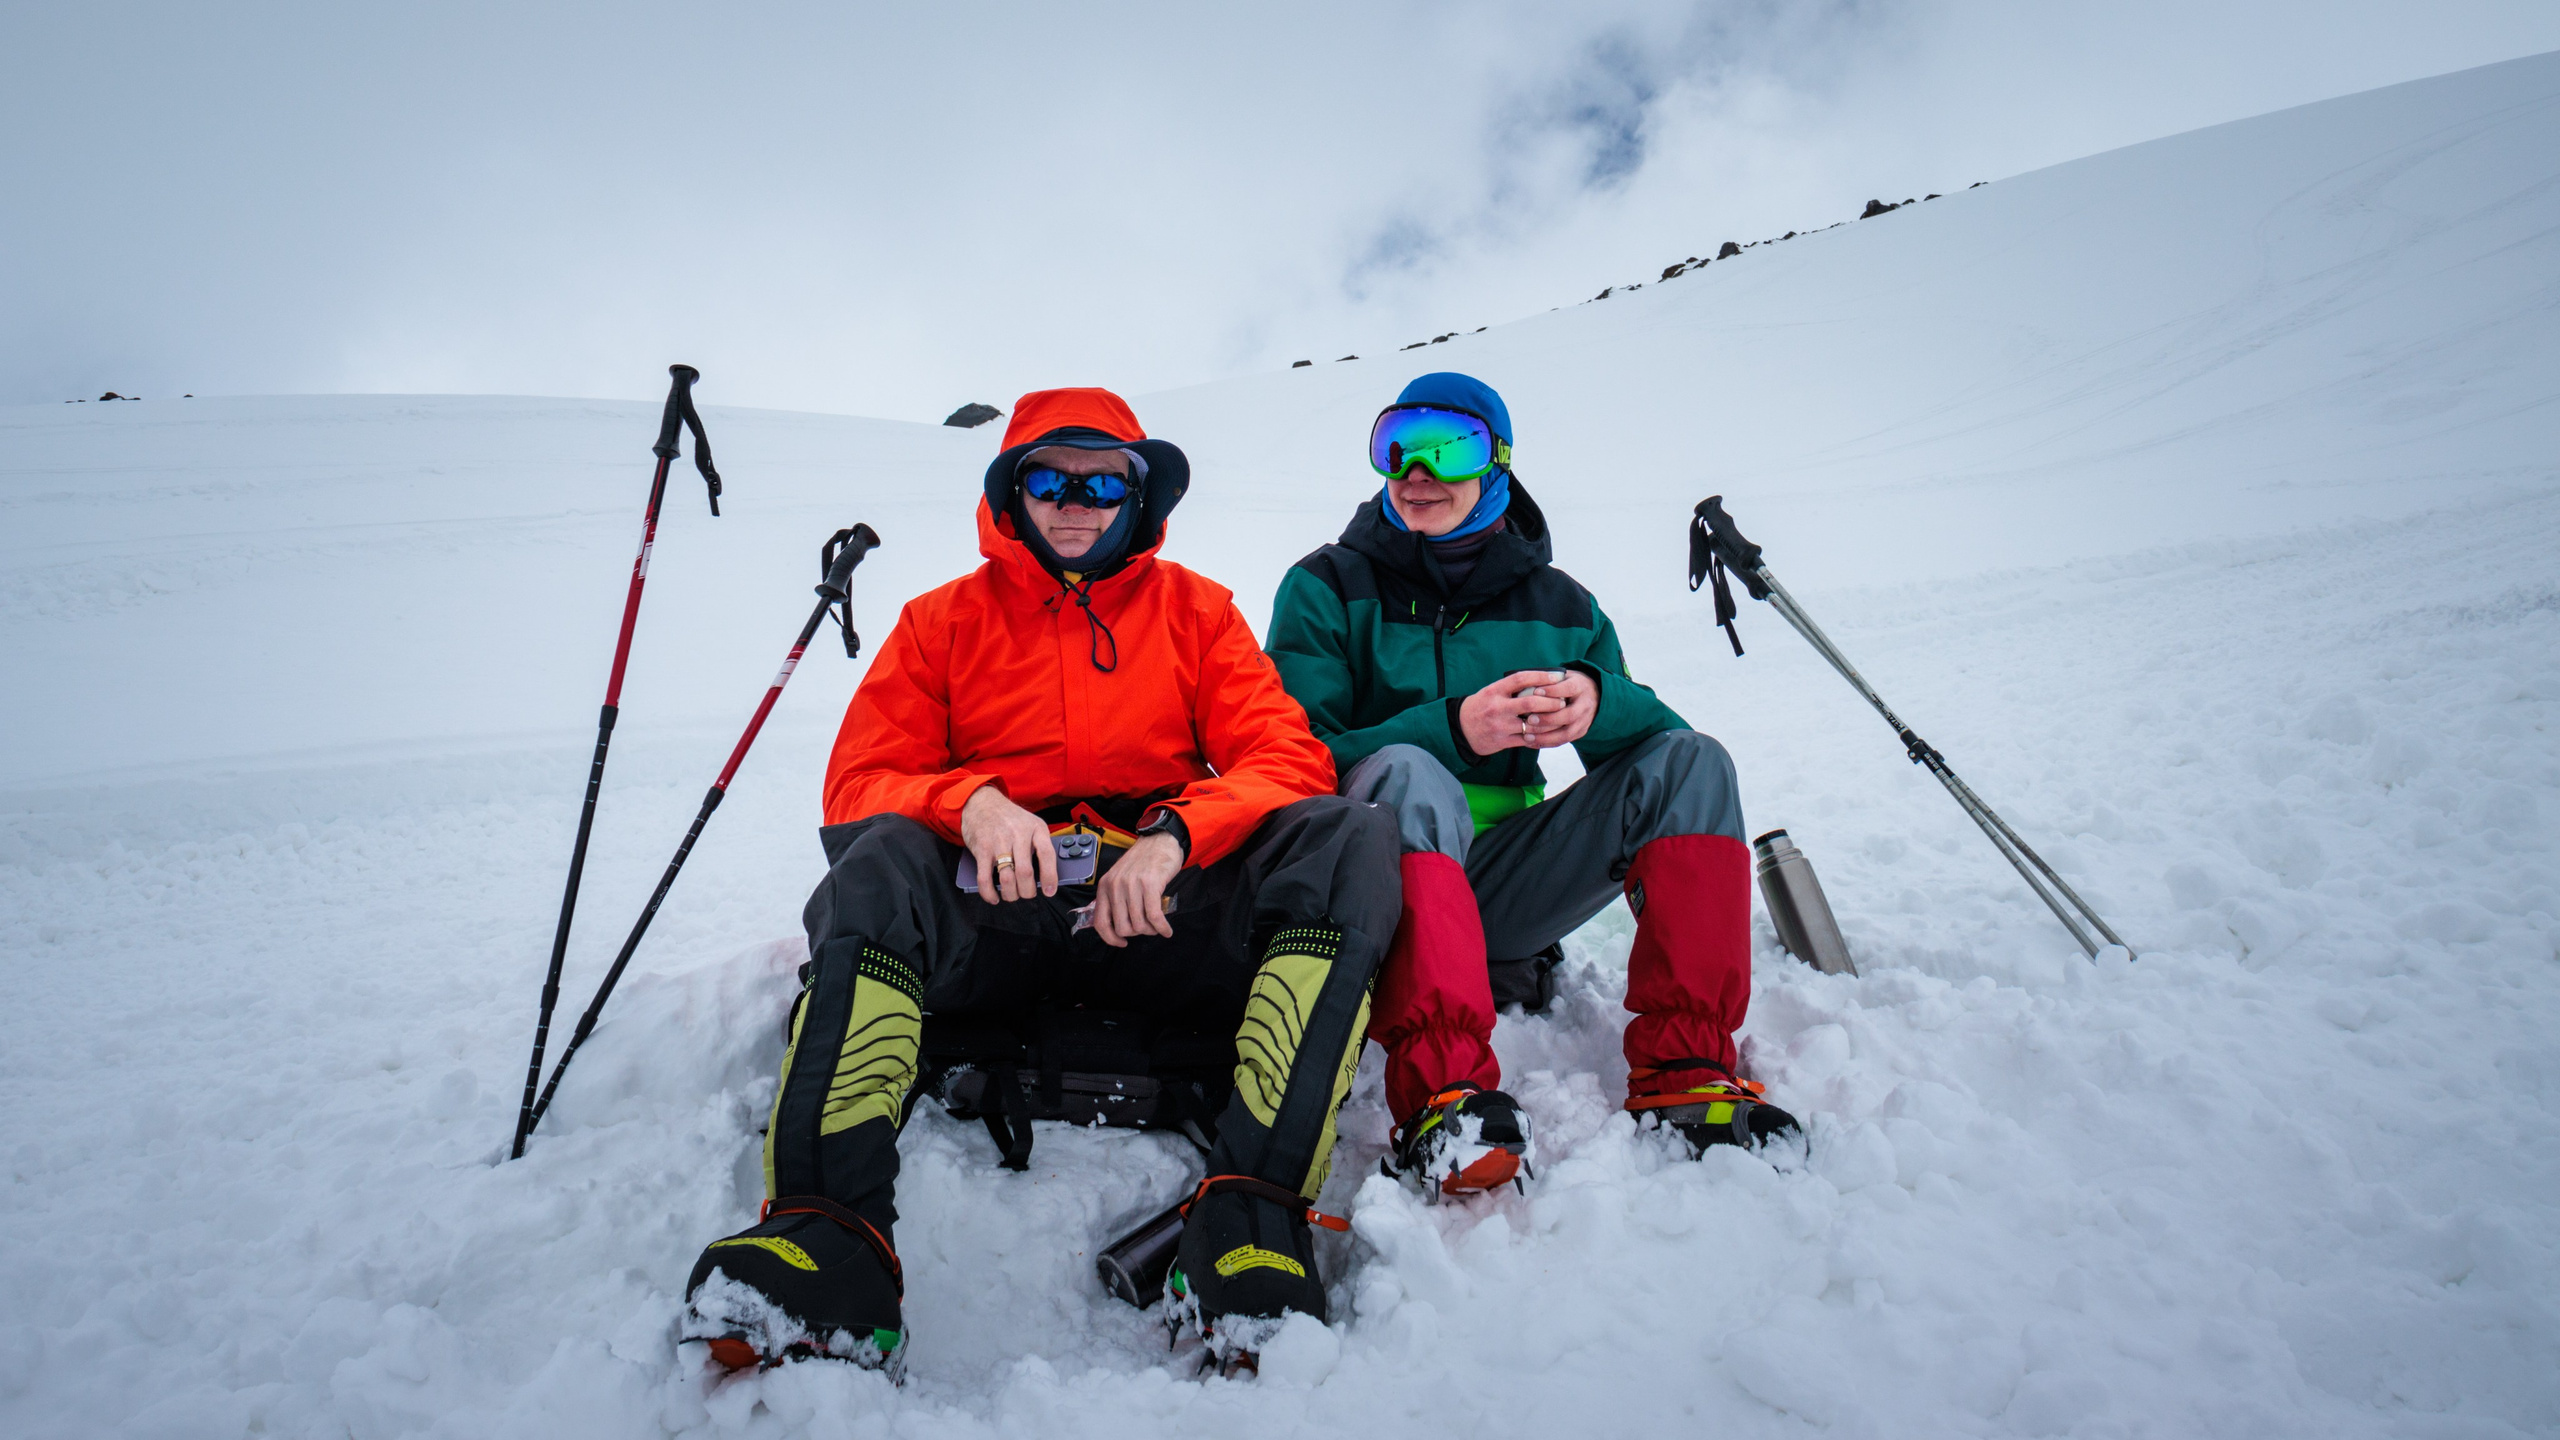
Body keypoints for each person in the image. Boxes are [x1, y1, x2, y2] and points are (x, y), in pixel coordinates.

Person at [682, 388, 1399, 1373]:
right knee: (883, 860)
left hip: (1156, 919)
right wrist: (968, 801)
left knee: (1343, 838)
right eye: (1047, 478)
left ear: (1136, 495)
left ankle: (1250, 1218)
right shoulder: (939, 624)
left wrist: (1175, 836)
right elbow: (858, 784)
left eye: (1102, 480)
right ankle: (826, 1239)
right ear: (1008, 491)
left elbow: (1285, 761)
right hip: (997, 928)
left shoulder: (1197, 613)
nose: (1075, 500)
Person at [1264, 372, 1799, 1199]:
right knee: (1411, 771)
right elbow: (1293, 758)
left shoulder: (1559, 604)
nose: (1416, 471)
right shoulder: (1327, 586)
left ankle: (1685, 1072)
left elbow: (1657, 759)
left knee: (1695, 760)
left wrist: (1596, 701)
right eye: (1395, 446)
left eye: (1450, 448)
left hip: (1501, 888)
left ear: (1499, 463)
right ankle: (1444, 1098)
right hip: (1376, 884)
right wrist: (1450, 728)